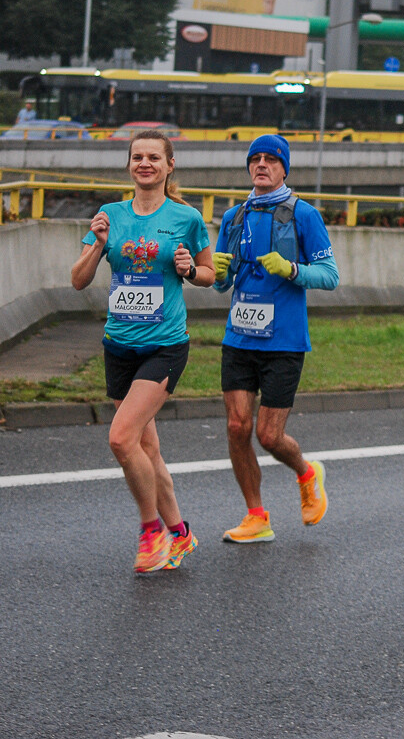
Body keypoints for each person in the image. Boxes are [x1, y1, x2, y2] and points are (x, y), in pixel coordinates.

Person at [70, 130, 215, 573]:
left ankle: (151, 530)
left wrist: (192, 270)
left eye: (155, 157)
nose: (145, 164)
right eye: (138, 157)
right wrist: (96, 245)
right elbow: (78, 281)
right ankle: (181, 534)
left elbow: (210, 273)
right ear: (129, 165)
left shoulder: (186, 217)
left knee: (120, 437)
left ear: (170, 166)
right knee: (147, 449)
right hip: (120, 346)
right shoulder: (110, 215)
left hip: (165, 346)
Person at [210, 135, 339, 543]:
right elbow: (220, 284)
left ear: (284, 169)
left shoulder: (303, 214)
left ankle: (306, 472)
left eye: (271, 159)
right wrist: (216, 271)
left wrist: (291, 269)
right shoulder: (233, 217)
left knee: (268, 435)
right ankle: (256, 516)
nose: (261, 165)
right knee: (236, 427)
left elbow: (331, 276)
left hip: (283, 341)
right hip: (239, 337)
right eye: (255, 159)